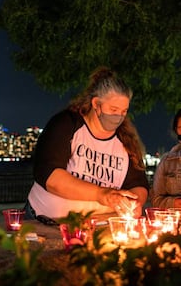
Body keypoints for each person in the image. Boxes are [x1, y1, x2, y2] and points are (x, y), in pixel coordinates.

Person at [25, 66, 149, 220]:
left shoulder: (125, 142)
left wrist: (133, 203)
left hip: (98, 226)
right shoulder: (66, 124)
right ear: (96, 104)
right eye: (113, 109)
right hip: (45, 221)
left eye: (124, 111)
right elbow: (50, 176)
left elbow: (139, 184)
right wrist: (101, 194)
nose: (119, 116)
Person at [150, 109, 181, 208]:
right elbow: (156, 200)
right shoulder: (167, 162)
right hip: (174, 220)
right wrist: (175, 203)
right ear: (177, 130)